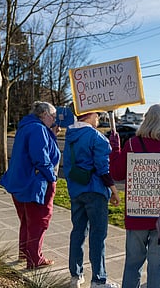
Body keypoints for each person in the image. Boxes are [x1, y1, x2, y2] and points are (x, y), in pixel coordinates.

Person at [108, 103, 160, 288]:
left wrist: (115, 150)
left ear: (147, 121)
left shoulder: (133, 145)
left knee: (132, 264)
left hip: (137, 215)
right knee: (157, 265)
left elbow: (117, 173)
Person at [0, 101, 61, 269]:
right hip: (34, 183)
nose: (54, 120)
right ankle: (35, 258)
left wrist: (52, 134)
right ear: (44, 115)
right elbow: (41, 157)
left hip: (19, 181)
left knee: (27, 220)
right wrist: (52, 178)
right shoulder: (38, 129)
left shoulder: (27, 127)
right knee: (39, 220)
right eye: (53, 117)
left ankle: (24, 251)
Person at [64, 112, 121, 288]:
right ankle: (98, 279)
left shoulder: (70, 135)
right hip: (95, 190)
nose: (98, 119)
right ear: (90, 116)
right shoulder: (96, 136)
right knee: (98, 236)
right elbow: (103, 168)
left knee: (78, 232)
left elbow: (67, 164)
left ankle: (76, 276)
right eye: (97, 116)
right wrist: (114, 191)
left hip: (76, 190)